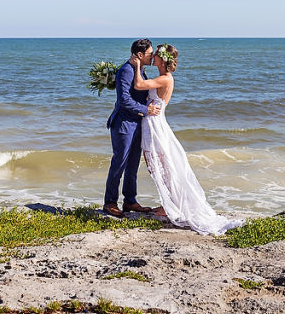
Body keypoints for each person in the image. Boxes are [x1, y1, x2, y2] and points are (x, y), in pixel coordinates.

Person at [130, 44, 243, 235]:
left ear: (162, 60)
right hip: (153, 123)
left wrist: (136, 66)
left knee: (160, 165)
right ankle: (168, 202)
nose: (153, 58)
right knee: (155, 165)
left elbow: (139, 85)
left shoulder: (165, 79)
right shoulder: (161, 78)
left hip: (155, 125)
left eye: (156, 55)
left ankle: (170, 206)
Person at [103, 39, 162, 218]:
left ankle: (130, 200)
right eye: (149, 54)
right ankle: (110, 203)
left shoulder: (140, 70)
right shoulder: (125, 70)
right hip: (123, 124)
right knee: (119, 163)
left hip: (137, 123)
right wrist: (146, 109)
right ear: (139, 55)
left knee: (133, 164)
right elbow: (124, 100)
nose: (152, 56)